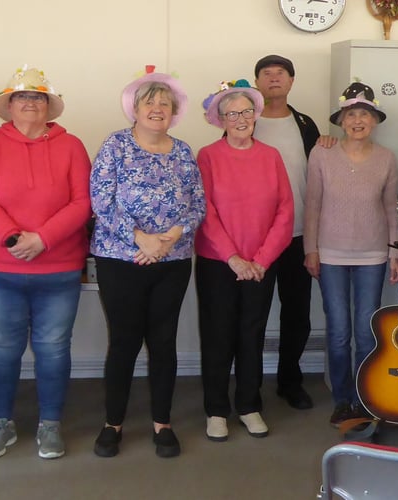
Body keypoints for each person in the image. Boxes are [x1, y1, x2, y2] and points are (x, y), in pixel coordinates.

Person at [0, 66, 92, 460]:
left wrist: (44, 238)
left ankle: (50, 425)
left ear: (49, 106)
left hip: (60, 269)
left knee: (54, 348)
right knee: (1, 350)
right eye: (22, 97)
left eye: (38, 98)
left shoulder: (72, 146)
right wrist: (12, 238)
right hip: (4, 269)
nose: (30, 104)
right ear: (9, 106)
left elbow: (83, 201)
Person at [90, 67, 205, 459]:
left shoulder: (184, 151)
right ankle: (113, 424)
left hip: (171, 261)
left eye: (164, 103)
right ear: (134, 110)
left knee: (163, 342)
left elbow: (198, 205)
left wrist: (170, 237)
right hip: (121, 259)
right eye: (149, 102)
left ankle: (162, 423)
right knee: (123, 343)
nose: (157, 108)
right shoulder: (115, 145)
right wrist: (140, 238)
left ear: (174, 111)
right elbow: (101, 200)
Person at [196, 79, 293, 442]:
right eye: (231, 113)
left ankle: (250, 405)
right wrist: (234, 258)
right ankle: (216, 409)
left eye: (246, 111)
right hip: (218, 263)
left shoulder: (271, 156)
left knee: (251, 335)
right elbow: (204, 210)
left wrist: (262, 259)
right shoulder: (207, 155)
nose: (240, 119)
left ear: (256, 114)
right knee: (218, 336)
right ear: (220, 119)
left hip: (261, 264)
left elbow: (285, 210)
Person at [303, 81, 398, 427]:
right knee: (339, 330)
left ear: (374, 120)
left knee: (365, 331)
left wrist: (395, 252)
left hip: (372, 256)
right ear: (341, 121)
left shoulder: (387, 158)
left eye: (364, 114)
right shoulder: (322, 153)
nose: (357, 120)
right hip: (329, 254)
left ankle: (364, 398)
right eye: (351, 114)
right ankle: (343, 399)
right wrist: (310, 249)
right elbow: (312, 205)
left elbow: (391, 208)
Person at [252, 54, 320, 410]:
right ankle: (250, 387)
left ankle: (290, 381)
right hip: (256, 239)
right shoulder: (244, 120)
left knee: (297, 312)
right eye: (267, 73)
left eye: (281, 74)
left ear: (292, 82)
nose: (274, 78)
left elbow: (319, 174)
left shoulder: (306, 124)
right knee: (255, 313)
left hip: (297, 235)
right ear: (257, 83)